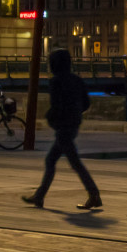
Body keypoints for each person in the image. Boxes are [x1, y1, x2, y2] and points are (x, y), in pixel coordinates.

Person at [22, 50, 103, 211]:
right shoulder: (77, 80)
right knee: (53, 160)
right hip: (73, 125)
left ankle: (94, 195)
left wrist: (52, 117)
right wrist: (75, 113)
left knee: (72, 162)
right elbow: (86, 103)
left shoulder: (56, 81)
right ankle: (39, 196)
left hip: (63, 127)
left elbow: (56, 105)